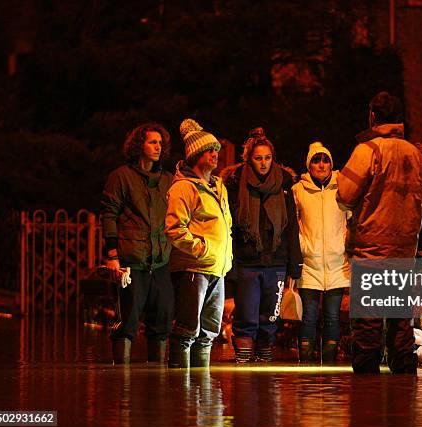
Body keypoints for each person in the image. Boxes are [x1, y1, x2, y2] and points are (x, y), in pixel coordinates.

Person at [337, 91, 422, 374]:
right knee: (402, 327)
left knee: (367, 329)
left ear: (373, 116)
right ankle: (404, 402)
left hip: (371, 253)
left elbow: (344, 194)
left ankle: (367, 403)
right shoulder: (416, 154)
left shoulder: (368, 150)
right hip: (404, 254)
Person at [221, 127, 302, 363]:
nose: (263, 163)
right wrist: (232, 266)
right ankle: (244, 359)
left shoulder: (283, 185)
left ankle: (264, 357)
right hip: (248, 260)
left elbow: (291, 228)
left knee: (270, 316)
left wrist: (294, 266)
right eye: (258, 158)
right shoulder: (236, 185)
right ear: (249, 159)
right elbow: (231, 227)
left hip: (276, 260)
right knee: (246, 314)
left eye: (267, 158)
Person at [101, 122, 174, 364]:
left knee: (162, 318)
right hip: (132, 260)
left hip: (161, 260)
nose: (157, 147)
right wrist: (112, 255)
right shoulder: (121, 177)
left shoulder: (168, 180)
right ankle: (121, 382)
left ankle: (157, 383)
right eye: (152, 142)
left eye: (160, 143)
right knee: (128, 319)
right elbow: (109, 214)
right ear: (139, 145)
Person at [164, 118, 233, 368]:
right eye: (209, 150)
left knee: (209, 331)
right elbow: (174, 228)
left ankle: (201, 392)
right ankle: (179, 392)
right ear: (196, 154)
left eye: (216, 149)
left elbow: (226, 226)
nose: (215, 154)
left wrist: (225, 256)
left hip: (216, 267)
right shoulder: (184, 187)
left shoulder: (218, 186)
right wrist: (201, 249)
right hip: (194, 268)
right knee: (187, 329)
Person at [292, 142, 350, 363]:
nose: (322, 164)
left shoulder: (343, 187)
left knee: (333, 316)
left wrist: (346, 246)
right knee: (309, 316)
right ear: (309, 165)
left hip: (337, 263)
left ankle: (330, 369)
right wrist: (302, 248)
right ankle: (306, 368)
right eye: (316, 160)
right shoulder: (299, 190)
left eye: (325, 159)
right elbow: (293, 225)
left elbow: (351, 220)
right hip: (309, 262)